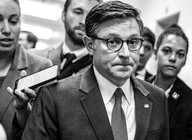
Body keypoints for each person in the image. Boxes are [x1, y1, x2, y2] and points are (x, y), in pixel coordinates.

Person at [21, 1, 169, 139]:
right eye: (113, 42)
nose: (125, 53)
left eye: (133, 42)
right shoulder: (55, 98)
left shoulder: (157, 98)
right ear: (90, 45)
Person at [147, 24, 192, 140]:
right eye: (166, 51)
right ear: (155, 54)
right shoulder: (136, 89)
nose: (172, 58)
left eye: (180, 54)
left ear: (185, 60)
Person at [0, 0, 52, 140]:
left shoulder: (40, 68)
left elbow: (43, 131)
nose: (6, 29)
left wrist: (23, 111)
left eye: (13, 21)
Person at [30, 0, 102, 80]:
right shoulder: (34, 58)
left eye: (91, 17)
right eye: (78, 12)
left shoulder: (102, 71)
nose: (83, 22)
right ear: (64, 15)